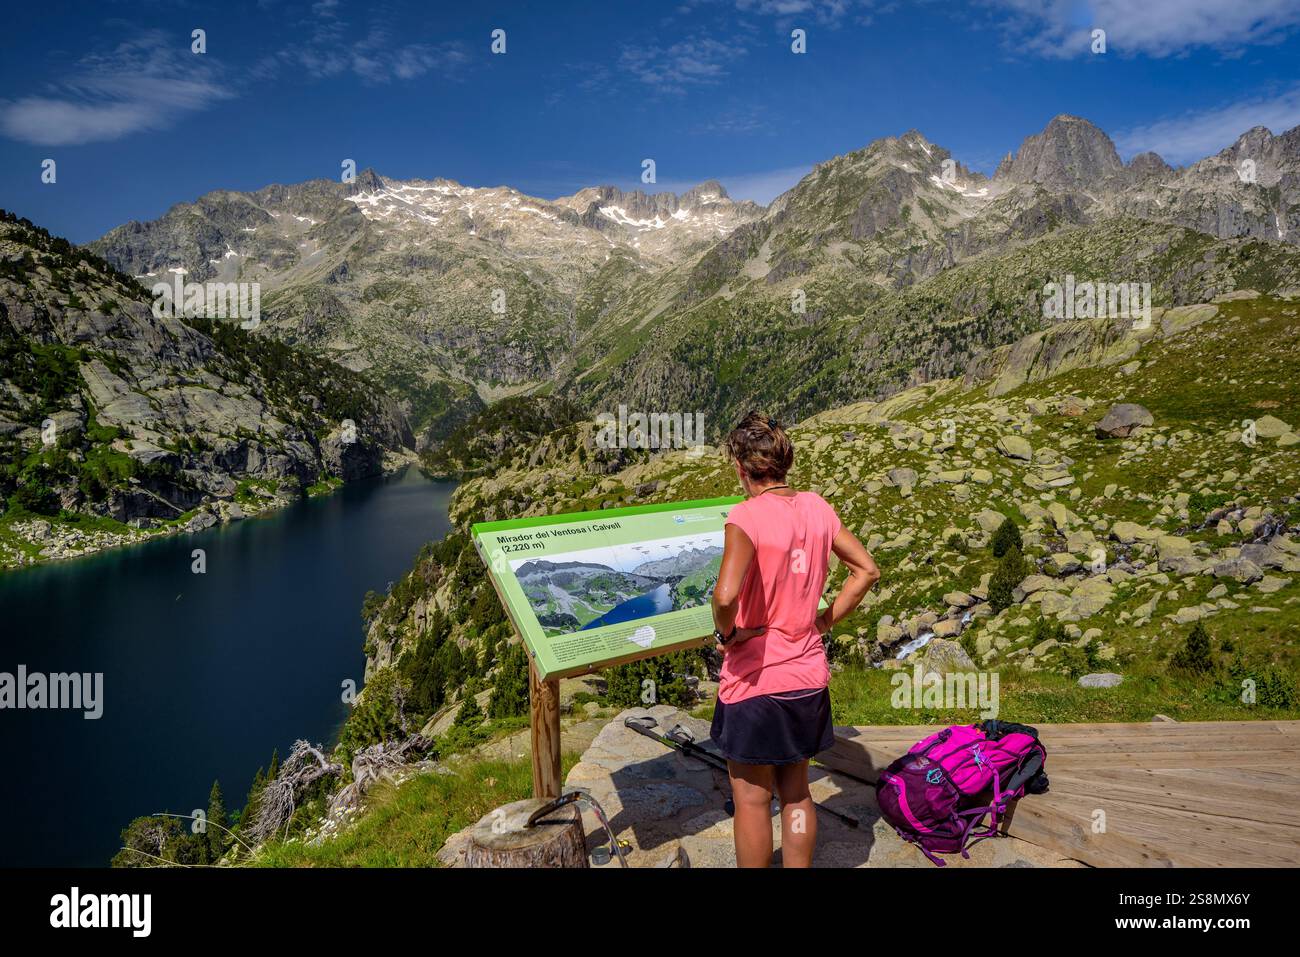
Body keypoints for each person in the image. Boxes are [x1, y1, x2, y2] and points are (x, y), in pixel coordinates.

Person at [710, 411, 879, 867]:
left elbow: (724, 595)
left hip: (755, 683)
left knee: (750, 801)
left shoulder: (745, 516)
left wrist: (728, 633)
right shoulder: (817, 507)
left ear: (741, 469)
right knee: (797, 794)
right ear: (783, 463)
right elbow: (866, 570)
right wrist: (824, 621)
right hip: (807, 676)